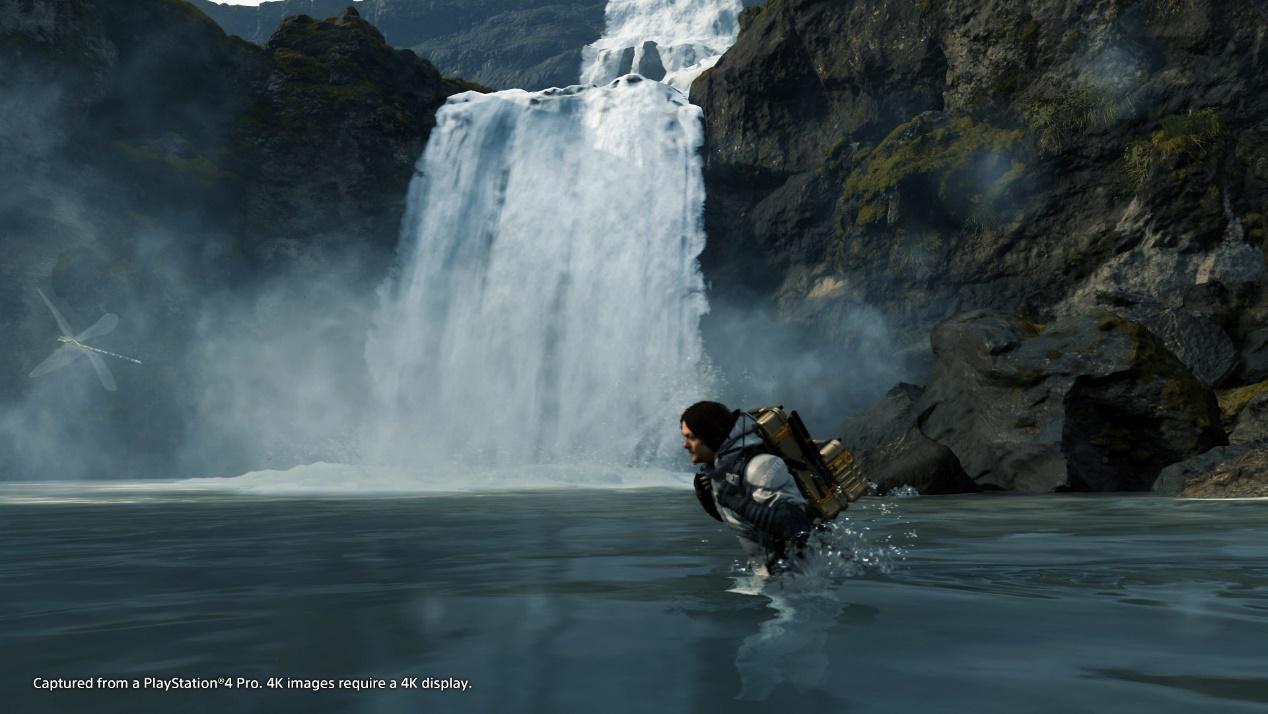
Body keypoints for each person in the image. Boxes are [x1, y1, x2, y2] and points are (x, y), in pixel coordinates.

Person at [680, 401, 816, 575]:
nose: (685, 444)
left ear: (710, 436)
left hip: (801, 578)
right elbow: (740, 521)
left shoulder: (760, 467)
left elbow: (797, 525)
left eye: (690, 437)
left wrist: (738, 502)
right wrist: (708, 498)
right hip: (768, 576)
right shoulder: (721, 471)